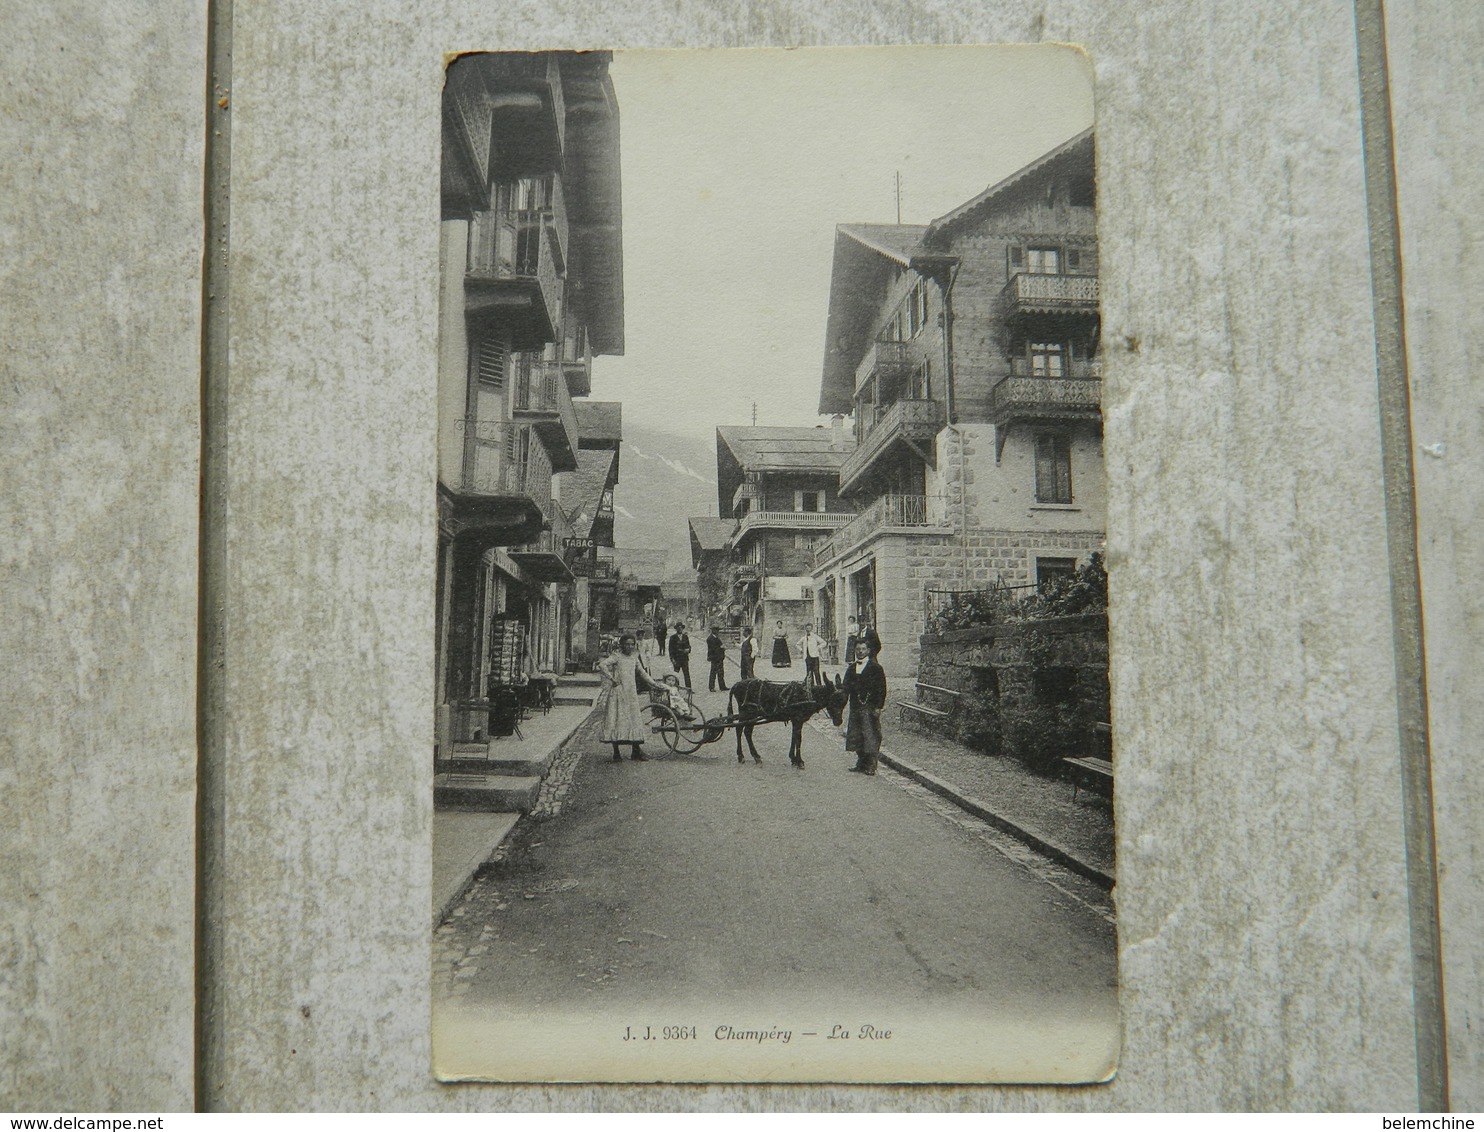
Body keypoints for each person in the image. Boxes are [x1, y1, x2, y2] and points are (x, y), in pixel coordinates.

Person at [597, 633, 664, 762]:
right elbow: (602, 665)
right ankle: (616, 753)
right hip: (618, 692)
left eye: (632, 644)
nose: (629, 647)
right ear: (621, 645)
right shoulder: (616, 656)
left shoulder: (634, 657)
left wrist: (654, 684)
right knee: (616, 719)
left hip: (631, 693)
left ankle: (636, 751)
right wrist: (612, 678)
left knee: (634, 719)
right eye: (627, 644)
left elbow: (642, 672)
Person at [844, 628, 887, 775]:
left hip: (869, 706)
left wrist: (878, 707)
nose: (860, 652)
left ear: (868, 650)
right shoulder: (851, 668)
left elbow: (881, 688)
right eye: (858, 649)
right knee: (856, 735)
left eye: (863, 649)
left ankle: (871, 765)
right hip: (855, 706)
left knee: (870, 735)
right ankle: (860, 762)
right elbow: (846, 687)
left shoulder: (875, 668)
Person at [668, 620, 693, 689]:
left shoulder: (685, 637)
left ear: (682, 628)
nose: (680, 629)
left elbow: (689, 646)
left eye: (681, 628)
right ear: (676, 629)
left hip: (684, 659)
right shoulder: (672, 638)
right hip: (677, 659)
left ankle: (689, 688)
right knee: (675, 675)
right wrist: (672, 659)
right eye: (678, 628)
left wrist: (688, 650)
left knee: (686, 674)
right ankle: (675, 689)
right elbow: (670, 650)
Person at [706, 625, 727, 692]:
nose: (718, 632)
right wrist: (722, 648)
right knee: (713, 672)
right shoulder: (710, 639)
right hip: (714, 658)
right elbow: (714, 649)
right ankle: (711, 687)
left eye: (718, 630)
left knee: (720, 672)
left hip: (719, 657)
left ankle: (722, 686)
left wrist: (722, 648)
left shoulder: (716, 638)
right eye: (716, 630)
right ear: (713, 631)